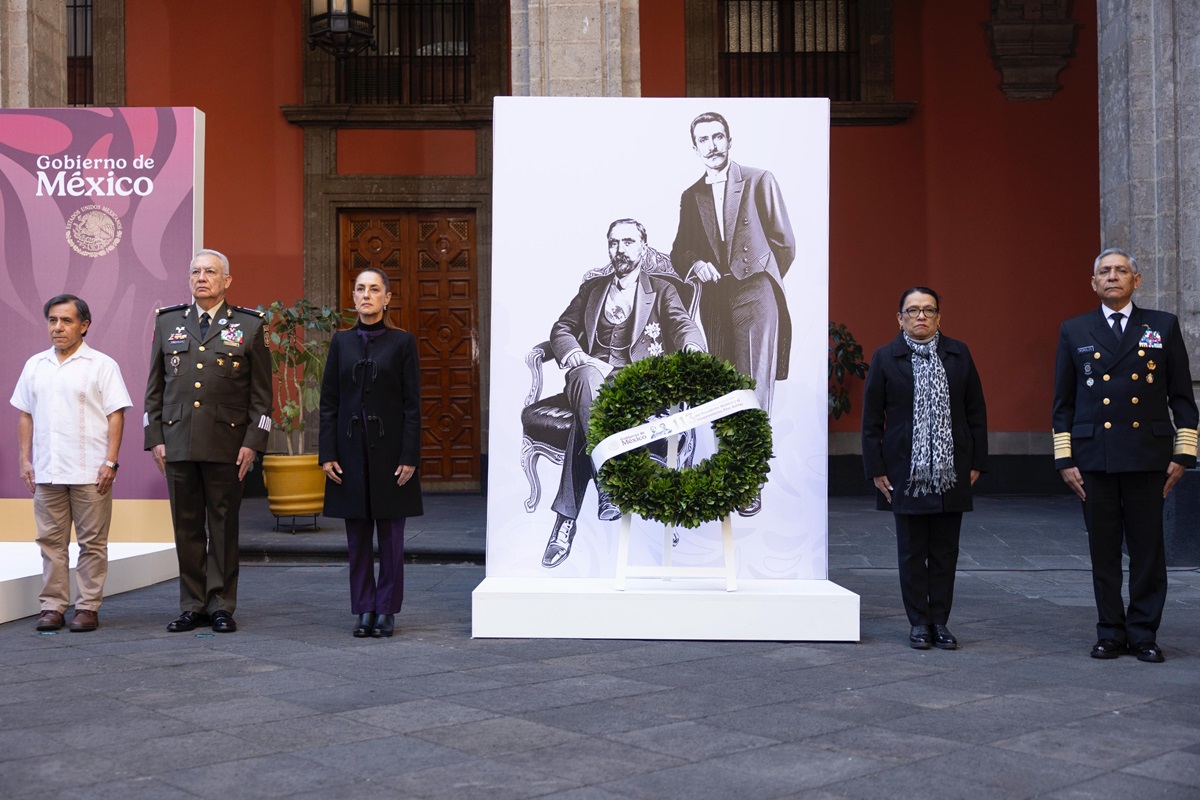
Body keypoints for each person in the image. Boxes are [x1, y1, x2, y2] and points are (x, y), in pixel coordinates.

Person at [1052, 248, 1198, 663]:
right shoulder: (1075, 330)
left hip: (1148, 458)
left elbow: (1183, 400)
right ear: (1093, 283)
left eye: (1120, 270)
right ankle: (1110, 632)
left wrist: (1183, 455)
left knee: (1148, 551)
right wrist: (1065, 459)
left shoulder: (1162, 326)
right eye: (1104, 271)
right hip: (1093, 458)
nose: (1112, 277)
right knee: (1103, 551)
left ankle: (1144, 632)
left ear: (1137, 279)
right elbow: (1063, 402)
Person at [542, 218, 706, 568]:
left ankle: (564, 524)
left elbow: (682, 325)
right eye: (614, 243)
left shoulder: (662, 289)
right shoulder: (593, 289)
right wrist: (573, 352)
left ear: (643, 247)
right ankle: (611, 485)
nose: (621, 250)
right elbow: (562, 328)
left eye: (628, 242)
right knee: (587, 379)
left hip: (636, 385)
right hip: (591, 375)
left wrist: (692, 346)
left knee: (582, 427)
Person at [670, 111, 795, 516]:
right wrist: (695, 266)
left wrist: (760, 278)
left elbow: (784, 243)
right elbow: (679, 251)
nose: (712, 145)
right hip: (715, 300)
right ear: (694, 148)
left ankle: (751, 479)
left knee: (754, 387)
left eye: (718, 137)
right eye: (703, 140)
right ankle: (731, 471)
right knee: (725, 386)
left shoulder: (760, 180)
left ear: (729, 139)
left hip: (755, 293)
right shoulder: (692, 196)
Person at [144, 249, 273, 633]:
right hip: (178, 442)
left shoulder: (248, 326)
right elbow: (154, 388)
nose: (202, 277)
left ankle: (221, 605)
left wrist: (253, 440)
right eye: (196, 271)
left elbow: (262, 395)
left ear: (227, 281)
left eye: (211, 272)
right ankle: (192, 605)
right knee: (185, 527)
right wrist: (156, 438)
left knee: (222, 527)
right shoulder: (168, 323)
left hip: (227, 445)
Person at [862, 287, 987, 650]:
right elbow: (872, 420)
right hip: (906, 472)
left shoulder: (958, 354)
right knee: (913, 551)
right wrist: (876, 469)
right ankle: (919, 622)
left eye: (928, 310)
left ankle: (940, 622)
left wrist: (978, 461)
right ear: (899, 317)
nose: (921, 316)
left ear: (939, 318)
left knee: (946, 551)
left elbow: (976, 412)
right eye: (913, 310)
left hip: (952, 469)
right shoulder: (886, 357)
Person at [11, 294, 132, 632]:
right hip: (47, 471)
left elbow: (116, 415)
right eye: (52, 320)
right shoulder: (35, 365)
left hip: (91, 471)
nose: (58, 327)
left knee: (92, 543)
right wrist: (25, 460)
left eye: (66, 321)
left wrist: (111, 461)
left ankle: (88, 607)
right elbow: (25, 415)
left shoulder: (102, 365)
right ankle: (52, 607)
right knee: (50, 542)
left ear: (84, 326)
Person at [320, 268, 423, 638]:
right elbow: (329, 401)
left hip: (392, 454)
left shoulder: (402, 342)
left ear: (387, 298)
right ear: (353, 297)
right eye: (361, 289)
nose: (367, 295)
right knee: (357, 537)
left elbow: (413, 405)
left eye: (374, 289)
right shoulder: (341, 342)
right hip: (349, 453)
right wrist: (327, 452)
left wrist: (410, 455)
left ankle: (387, 609)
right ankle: (364, 608)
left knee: (392, 539)